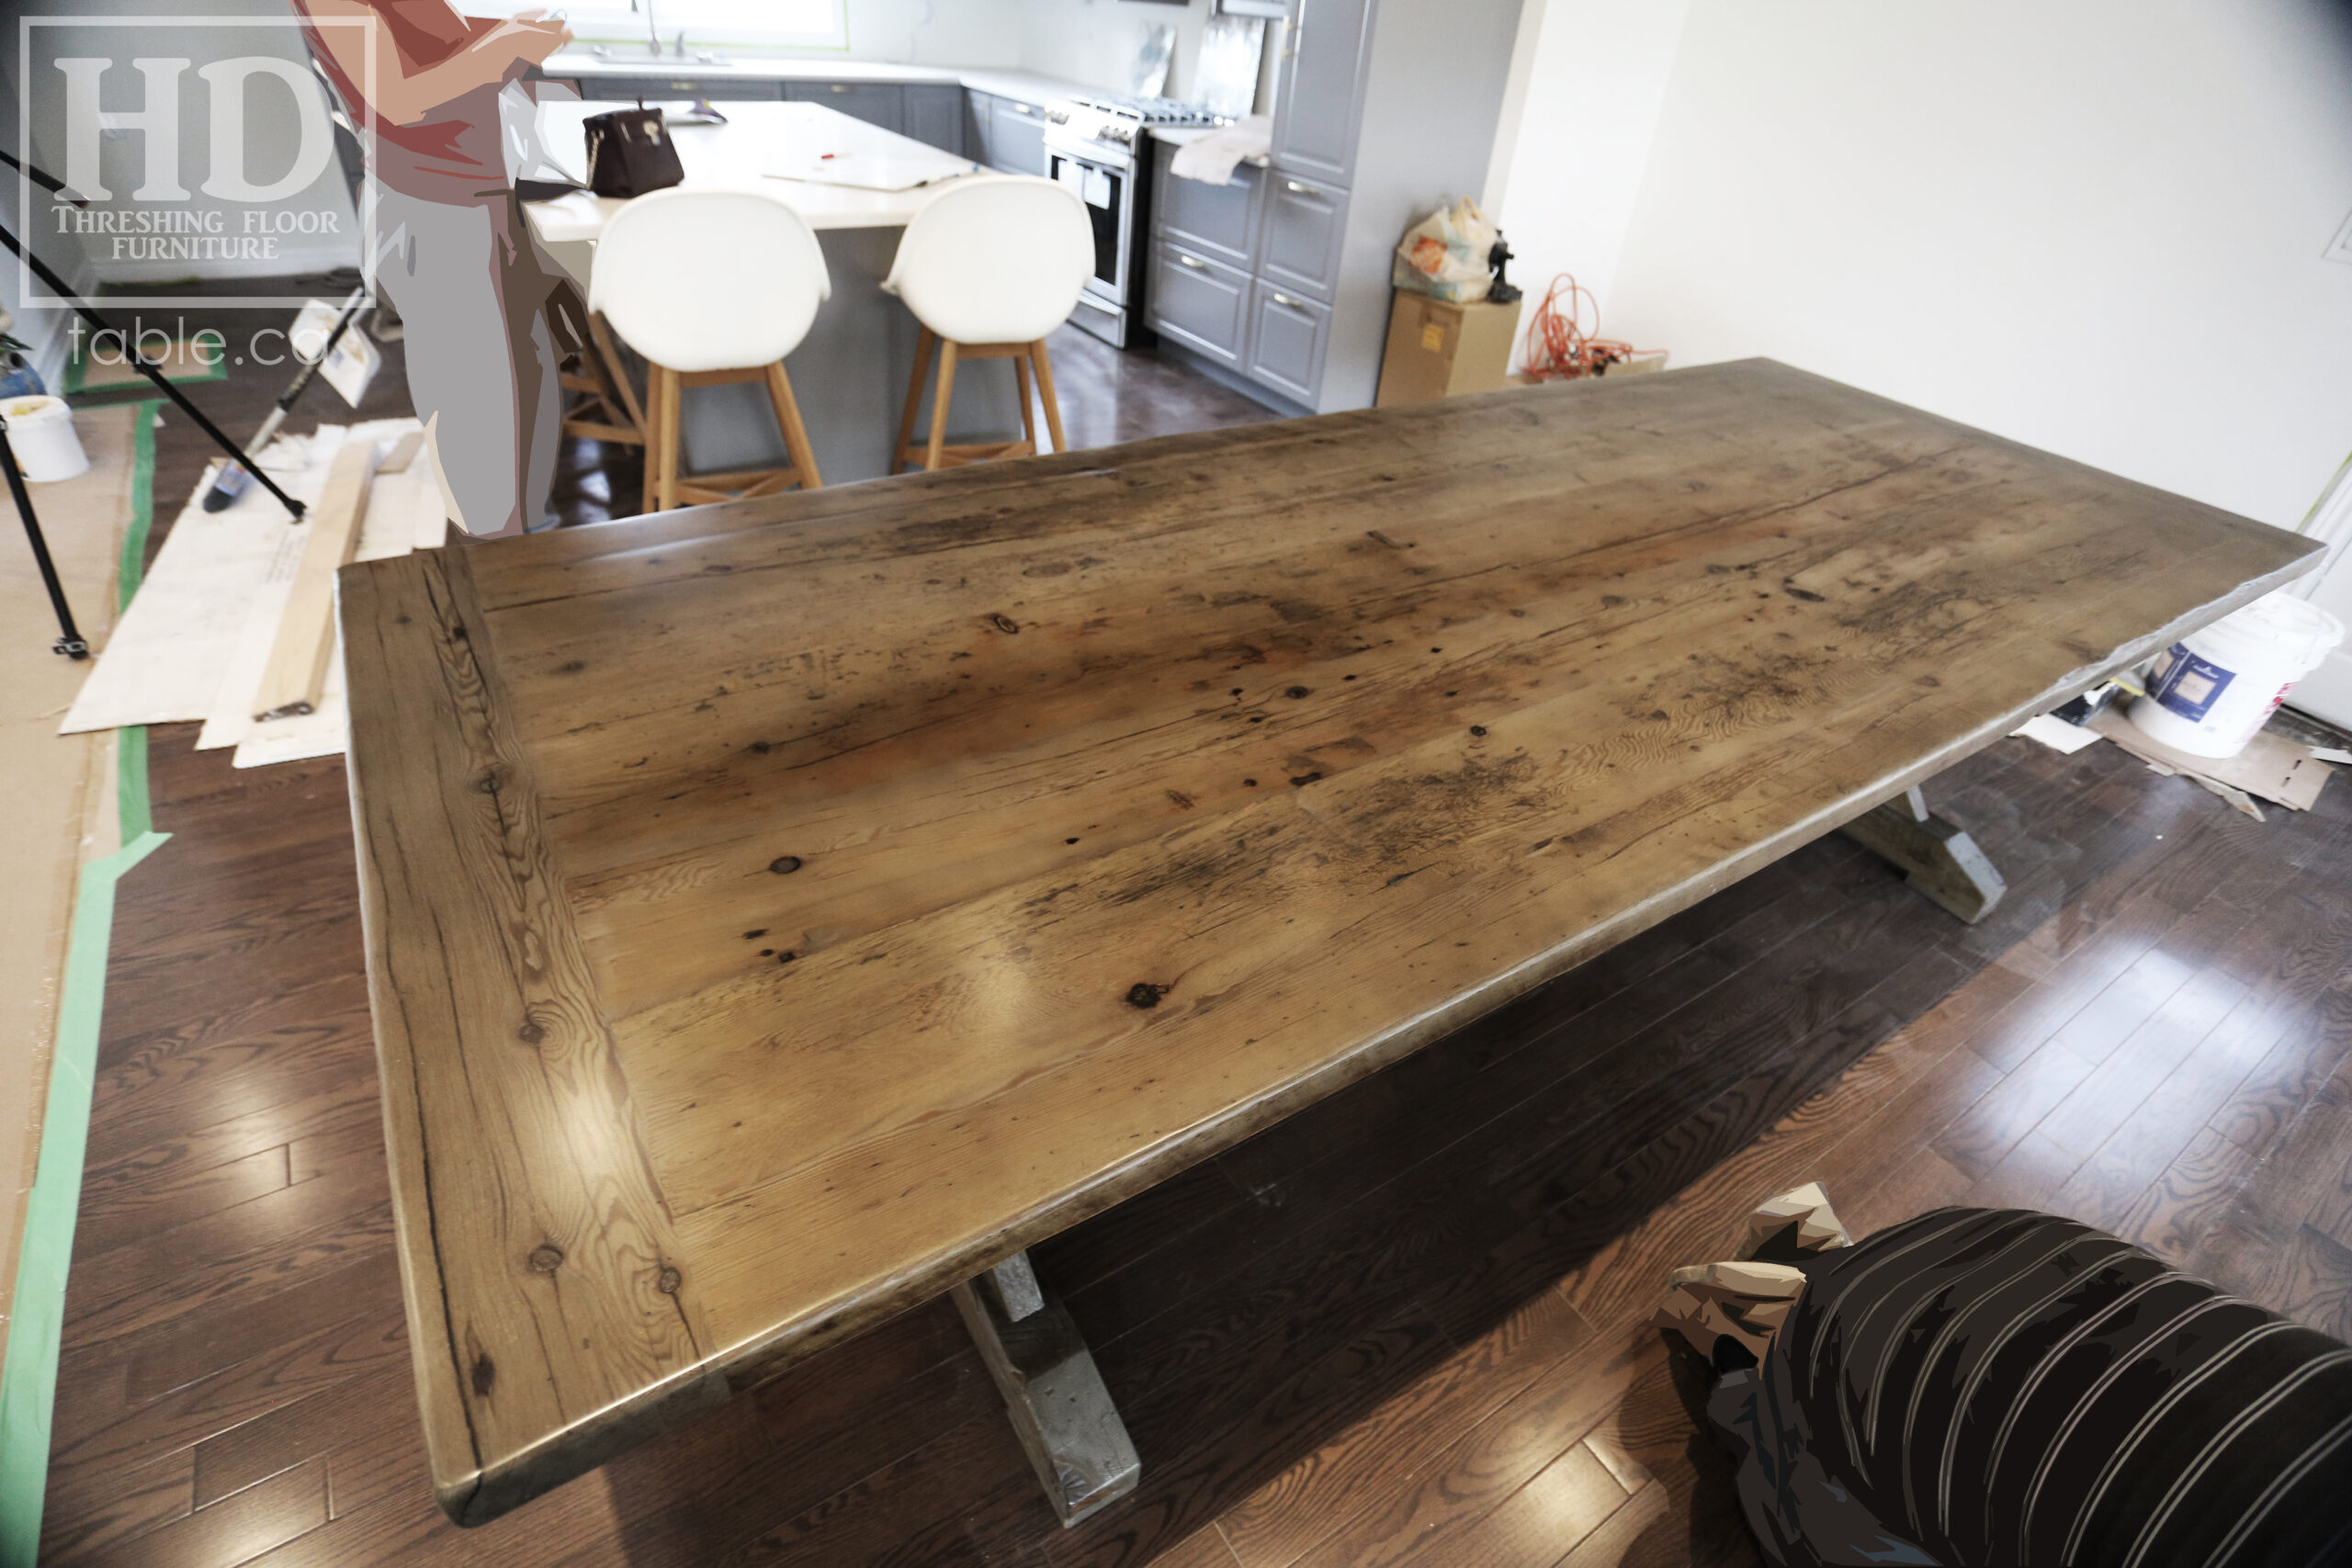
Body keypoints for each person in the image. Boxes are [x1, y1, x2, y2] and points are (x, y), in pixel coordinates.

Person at [1664, 1198, 2352, 1566]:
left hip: (2015, 1239)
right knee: (1817, 1514)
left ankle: (1783, 1304)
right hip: (1860, 1376)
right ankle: (1747, 1369)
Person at [289, 1, 574, 538]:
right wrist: (506, 46)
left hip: (479, 199)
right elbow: (398, 99)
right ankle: (508, 568)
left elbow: (437, 54)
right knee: (484, 421)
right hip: (437, 211)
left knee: (522, 394)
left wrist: (509, 34)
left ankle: (533, 542)